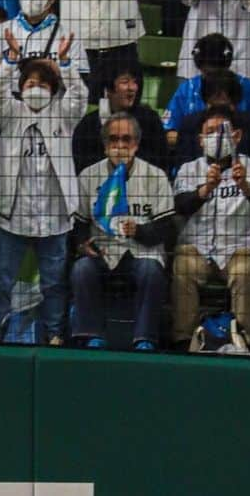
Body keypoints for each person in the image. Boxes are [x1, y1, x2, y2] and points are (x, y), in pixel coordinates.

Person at [0, 42, 87, 344]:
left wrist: (65, 65)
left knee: (54, 282)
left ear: (53, 89)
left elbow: (80, 96)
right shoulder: (9, 113)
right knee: (2, 278)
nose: (36, 88)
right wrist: (10, 61)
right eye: (30, 83)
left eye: (43, 83)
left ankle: (55, 333)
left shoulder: (64, 116)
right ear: (21, 87)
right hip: (11, 213)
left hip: (54, 215)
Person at [171, 107, 250, 353]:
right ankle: (183, 341)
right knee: (183, 263)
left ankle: (244, 341)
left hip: (240, 250)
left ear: (236, 136)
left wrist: (246, 187)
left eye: (222, 131)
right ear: (199, 140)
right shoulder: (189, 170)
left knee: (244, 268)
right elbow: (180, 206)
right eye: (209, 132)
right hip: (199, 251)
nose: (216, 137)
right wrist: (205, 189)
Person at [72, 111, 174, 351]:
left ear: (136, 144)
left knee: (151, 271)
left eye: (126, 139)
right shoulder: (88, 175)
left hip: (143, 252)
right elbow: (78, 224)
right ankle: (91, 335)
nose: (120, 145)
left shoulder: (156, 176)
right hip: (103, 251)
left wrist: (139, 230)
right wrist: (81, 244)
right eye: (114, 139)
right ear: (105, 145)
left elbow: (167, 228)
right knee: (81, 269)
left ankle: (144, 338)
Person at [72, 57, 167, 174]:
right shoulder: (88, 125)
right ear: (108, 89)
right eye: (125, 82)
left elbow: (162, 164)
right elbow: (81, 168)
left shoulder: (150, 120)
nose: (132, 88)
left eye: (135, 82)